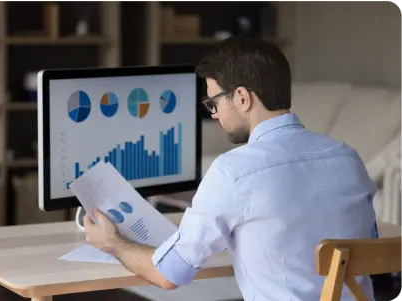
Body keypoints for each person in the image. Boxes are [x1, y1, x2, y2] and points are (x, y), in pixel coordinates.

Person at [83, 34, 378, 301]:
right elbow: (366, 246)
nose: (214, 114)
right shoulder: (347, 158)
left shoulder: (234, 172)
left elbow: (168, 273)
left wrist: (111, 242)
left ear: (242, 97)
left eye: (213, 103)